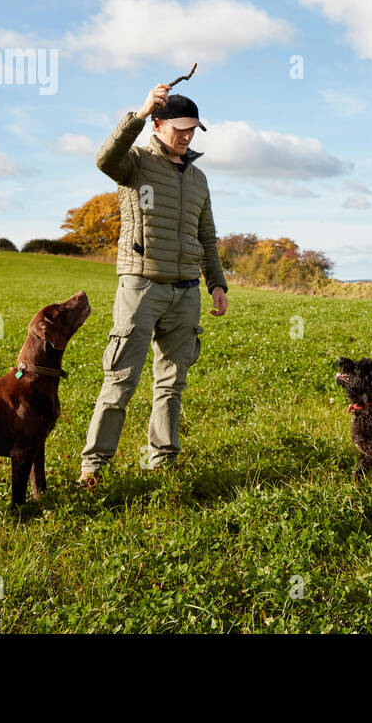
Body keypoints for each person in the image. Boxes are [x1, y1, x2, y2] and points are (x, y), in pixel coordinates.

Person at [78, 80, 228, 486]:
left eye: (193, 128)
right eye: (179, 127)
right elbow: (104, 159)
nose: (187, 135)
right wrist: (139, 112)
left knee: (171, 384)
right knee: (121, 380)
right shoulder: (137, 162)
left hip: (186, 292)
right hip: (141, 286)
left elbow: (206, 236)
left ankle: (161, 461)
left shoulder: (198, 179)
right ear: (158, 124)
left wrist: (216, 283)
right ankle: (94, 466)